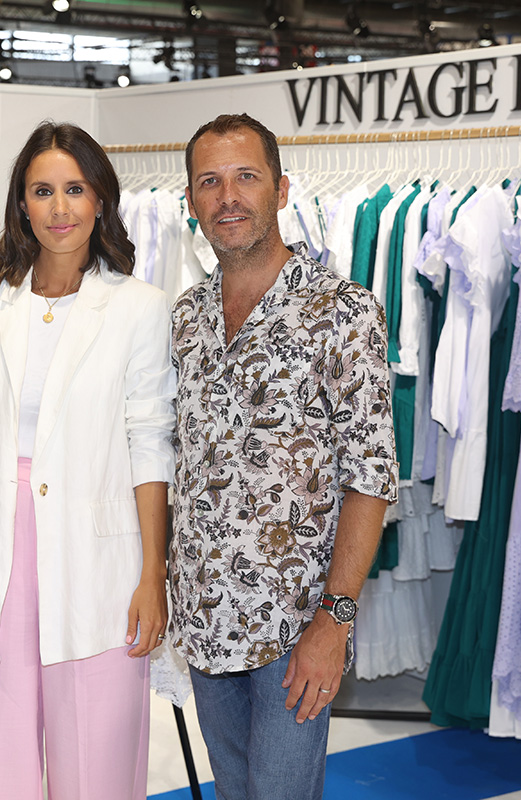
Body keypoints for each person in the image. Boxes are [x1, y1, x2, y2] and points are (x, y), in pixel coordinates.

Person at [0, 121, 175, 800]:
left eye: (75, 189)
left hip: (102, 562)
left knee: (98, 766)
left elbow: (150, 444)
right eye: (43, 191)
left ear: (100, 200)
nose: (60, 208)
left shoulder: (140, 308)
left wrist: (153, 571)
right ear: (21, 204)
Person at [169, 112, 399, 799]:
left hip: (295, 626)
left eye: (246, 177)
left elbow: (371, 478)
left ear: (282, 189)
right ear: (190, 200)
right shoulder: (185, 318)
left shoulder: (343, 312)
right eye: (209, 181)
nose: (228, 197)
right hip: (206, 618)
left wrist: (336, 619)